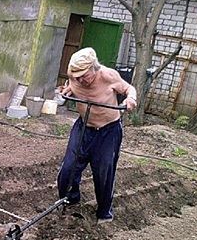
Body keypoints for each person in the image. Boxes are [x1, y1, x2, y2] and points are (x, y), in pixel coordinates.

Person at [57, 47, 138, 224]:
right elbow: (72, 84)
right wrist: (68, 89)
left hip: (108, 131)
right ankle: (71, 198)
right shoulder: (74, 74)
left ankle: (104, 212)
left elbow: (129, 89)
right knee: (68, 169)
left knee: (103, 172)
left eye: (84, 76)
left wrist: (131, 99)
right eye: (76, 76)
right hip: (84, 127)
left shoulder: (108, 76)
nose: (79, 79)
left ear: (95, 67)